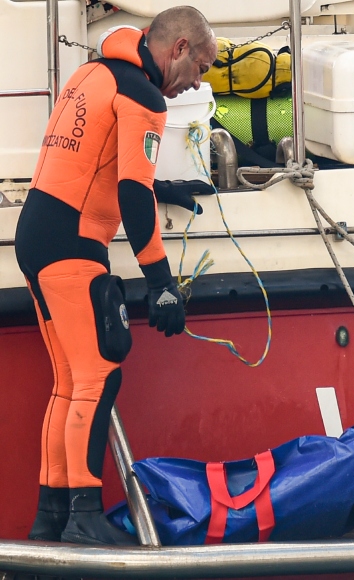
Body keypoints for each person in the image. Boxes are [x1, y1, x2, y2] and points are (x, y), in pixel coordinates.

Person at [14, 6, 218, 545]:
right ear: (177, 49)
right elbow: (129, 194)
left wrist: (161, 188)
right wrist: (161, 284)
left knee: (69, 381)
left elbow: (98, 160)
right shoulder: (144, 97)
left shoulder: (94, 73)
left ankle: (51, 516)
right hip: (74, 244)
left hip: (38, 233)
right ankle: (84, 514)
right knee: (100, 374)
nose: (195, 83)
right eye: (198, 67)